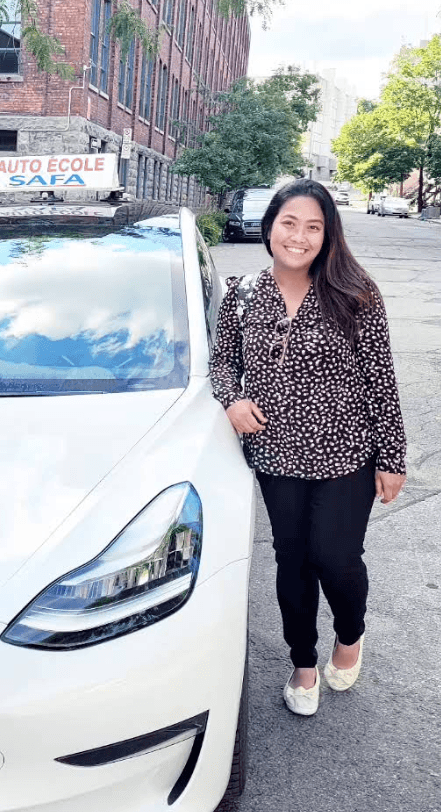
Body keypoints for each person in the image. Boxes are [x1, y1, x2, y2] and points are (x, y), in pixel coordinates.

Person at [209, 179, 407, 716]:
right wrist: (231, 400)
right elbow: (222, 361)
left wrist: (392, 456)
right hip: (276, 453)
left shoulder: (354, 291)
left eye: (313, 227)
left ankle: (349, 637)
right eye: (289, 223)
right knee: (292, 558)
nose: (300, 237)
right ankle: (302, 661)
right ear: (270, 226)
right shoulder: (242, 293)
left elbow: (380, 379)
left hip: (347, 449)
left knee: (335, 555)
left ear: (328, 234)